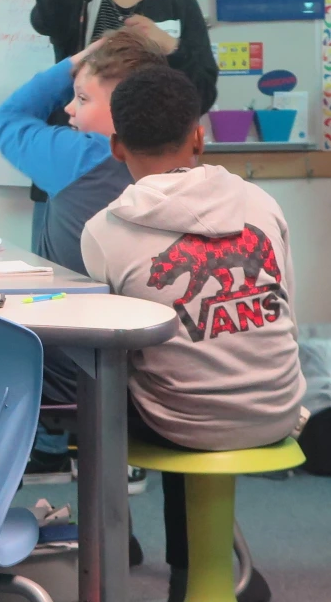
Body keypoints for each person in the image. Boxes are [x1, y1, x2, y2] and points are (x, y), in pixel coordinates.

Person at [82, 65, 303, 602]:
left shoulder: (103, 232)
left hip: (183, 424)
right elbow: (284, 307)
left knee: (97, 390)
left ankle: (102, 561)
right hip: (279, 409)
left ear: (115, 147)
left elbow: (113, 344)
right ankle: (203, 573)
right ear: (199, 134)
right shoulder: (262, 204)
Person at [0, 27, 164, 502]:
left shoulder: (77, 156)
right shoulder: (178, 163)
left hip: (76, 369)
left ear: (124, 107)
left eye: (82, 98)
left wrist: (77, 57)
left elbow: (7, 117)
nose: (69, 108)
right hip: (165, 367)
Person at [25, 0, 218, 255]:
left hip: (157, 172)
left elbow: (204, 91)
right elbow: (45, 21)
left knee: (153, 280)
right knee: (62, 287)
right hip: (74, 168)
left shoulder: (176, 2)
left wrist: (170, 48)